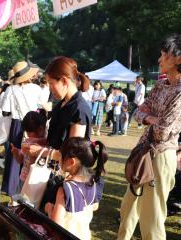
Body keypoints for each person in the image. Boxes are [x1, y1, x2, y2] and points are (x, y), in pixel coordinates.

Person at [117, 34, 181, 240]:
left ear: (178, 59)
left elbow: (163, 131)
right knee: (128, 209)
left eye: (164, 55)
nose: (159, 59)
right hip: (143, 151)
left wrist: (148, 117)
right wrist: (151, 118)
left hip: (162, 156)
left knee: (151, 219)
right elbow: (138, 111)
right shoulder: (161, 86)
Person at [21, 56, 92, 208]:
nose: (50, 88)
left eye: (52, 83)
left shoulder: (79, 109)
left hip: (63, 177)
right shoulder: (62, 104)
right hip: (50, 171)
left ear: (65, 81)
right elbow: (55, 139)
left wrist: (41, 151)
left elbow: (72, 155)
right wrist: (38, 143)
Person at [45, 137, 107, 240]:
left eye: (61, 156)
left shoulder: (65, 189)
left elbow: (56, 225)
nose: (59, 159)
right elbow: (95, 206)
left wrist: (49, 208)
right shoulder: (94, 183)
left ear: (71, 162)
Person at [0, 60, 42, 196]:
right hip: (33, 123)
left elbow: (5, 109)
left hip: (17, 124)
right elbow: (41, 106)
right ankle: (28, 186)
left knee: (14, 154)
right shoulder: (37, 89)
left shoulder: (11, 89)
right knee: (31, 155)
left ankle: (11, 187)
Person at [11, 110, 48, 194]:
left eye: (28, 132)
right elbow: (21, 160)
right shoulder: (28, 143)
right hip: (30, 179)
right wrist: (16, 152)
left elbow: (20, 160)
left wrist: (16, 152)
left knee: (21, 202)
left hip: (30, 180)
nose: (28, 135)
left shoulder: (29, 143)